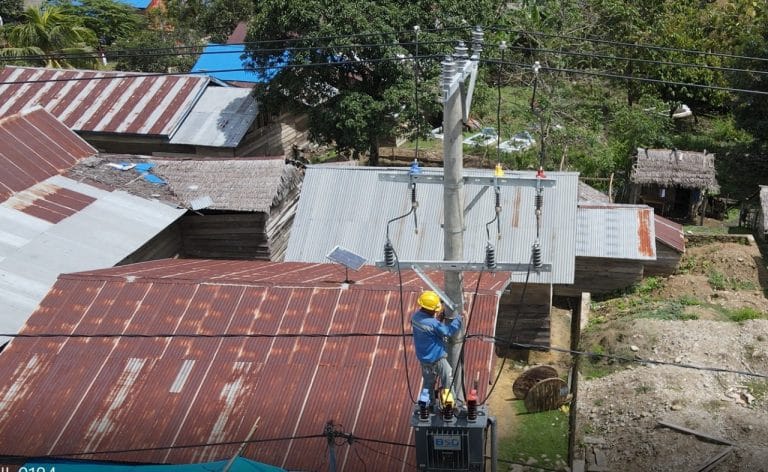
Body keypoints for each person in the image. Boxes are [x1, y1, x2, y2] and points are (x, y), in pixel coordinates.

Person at [411, 290, 463, 405]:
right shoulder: (433, 324)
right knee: (448, 380)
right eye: (435, 309)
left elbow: (429, 328)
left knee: (428, 383)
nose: (436, 310)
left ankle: (427, 405)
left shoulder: (415, 317)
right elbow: (447, 331)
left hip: (423, 359)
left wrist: (438, 319)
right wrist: (458, 319)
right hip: (437, 359)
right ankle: (450, 405)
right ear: (429, 309)